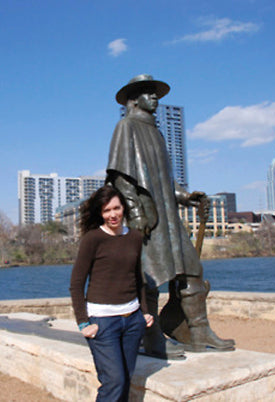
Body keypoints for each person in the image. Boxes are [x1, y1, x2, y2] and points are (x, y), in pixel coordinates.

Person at [106, 74, 235, 356]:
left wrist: (186, 197)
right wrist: (136, 211)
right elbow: (121, 178)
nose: (155, 99)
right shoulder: (125, 127)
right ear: (134, 98)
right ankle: (151, 338)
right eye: (149, 94)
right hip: (148, 218)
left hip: (169, 218)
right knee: (150, 279)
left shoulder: (156, 132)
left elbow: (164, 181)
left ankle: (198, 333)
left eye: (157, 95)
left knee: (192, 273)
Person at [70, 185, 154, 402]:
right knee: (114, 381)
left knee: (124, 380)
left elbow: (138, 278)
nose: (112, 214)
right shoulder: (93, 239)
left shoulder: (134, 237)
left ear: (123, 208)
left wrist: (144, 312)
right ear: (100, 213)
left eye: (116, 208)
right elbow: (77, 283)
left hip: (133, 320)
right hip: (103, 322)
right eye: (107, 210)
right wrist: (82, 323)